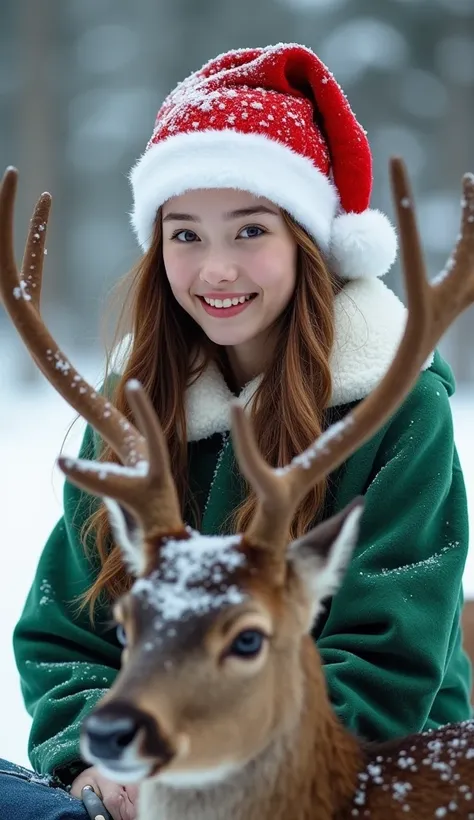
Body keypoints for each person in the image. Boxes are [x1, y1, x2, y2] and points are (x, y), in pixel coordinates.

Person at [2, 42, 472, 820]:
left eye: (250, 231)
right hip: (147, 773)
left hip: (348, 783)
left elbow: (391, 655)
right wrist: (89, 760)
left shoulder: (399, 410)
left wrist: (213, 778)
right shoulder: (134, 414)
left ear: (310, 242)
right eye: (185, 235)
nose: (215, 269)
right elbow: (66, 629)